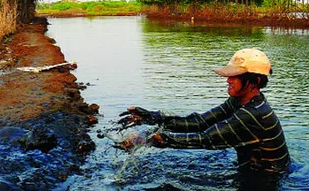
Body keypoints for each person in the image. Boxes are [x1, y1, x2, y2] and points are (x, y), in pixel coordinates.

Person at [119, 48, 290, 173]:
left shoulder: (254, 114)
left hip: (266, 183)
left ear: (255, 81)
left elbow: (206, 139)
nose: (228, 80)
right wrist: (152, 117)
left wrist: (154, 139)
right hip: (252, 173)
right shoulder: (238, 103)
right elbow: (200, 122)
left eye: (235, 76)